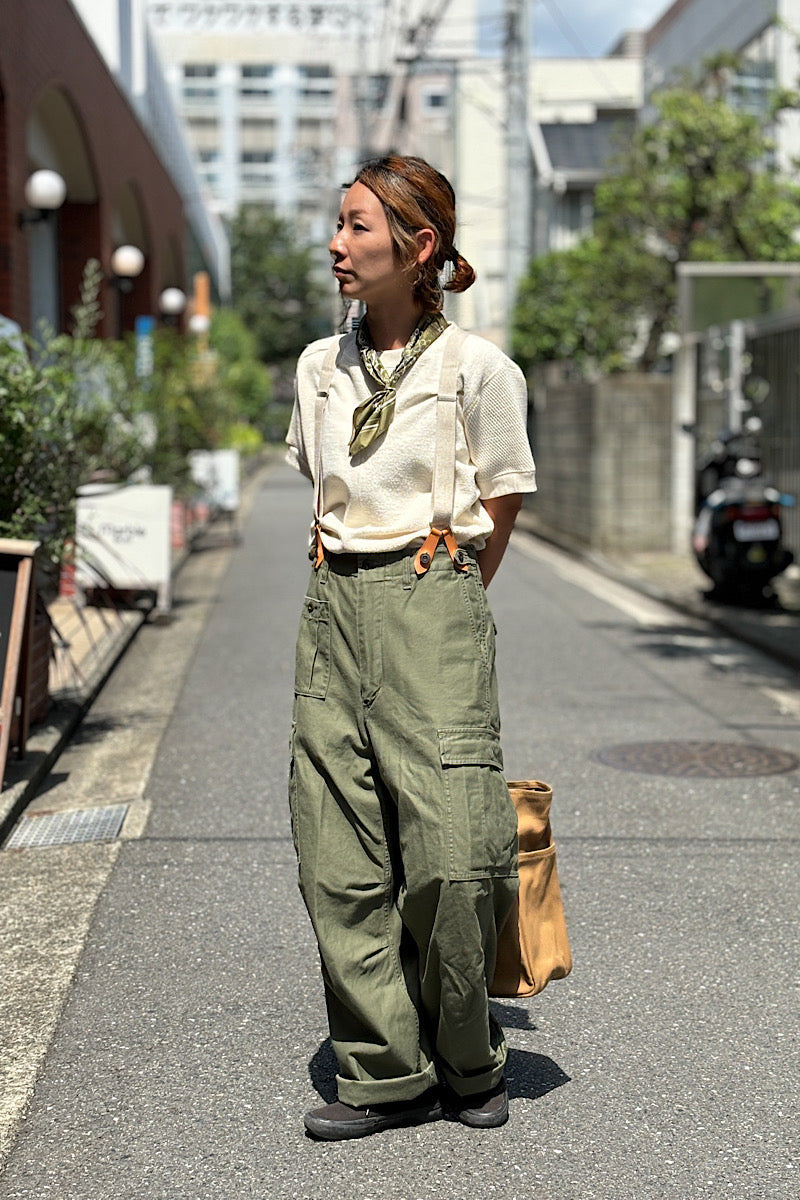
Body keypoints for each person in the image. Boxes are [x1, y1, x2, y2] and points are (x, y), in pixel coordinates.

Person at [285, 155, 537, 1141]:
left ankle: (469, 1060)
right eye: (337, 225)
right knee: (336, 852)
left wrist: (454, 598)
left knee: (450, 851)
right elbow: (320, 476)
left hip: (435, 589)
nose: (336, 245)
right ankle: (383, 1074)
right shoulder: (317, 367)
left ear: (416, 245)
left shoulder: (477, 369)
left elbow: (503, 495)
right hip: (329, 605)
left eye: (356, 227)